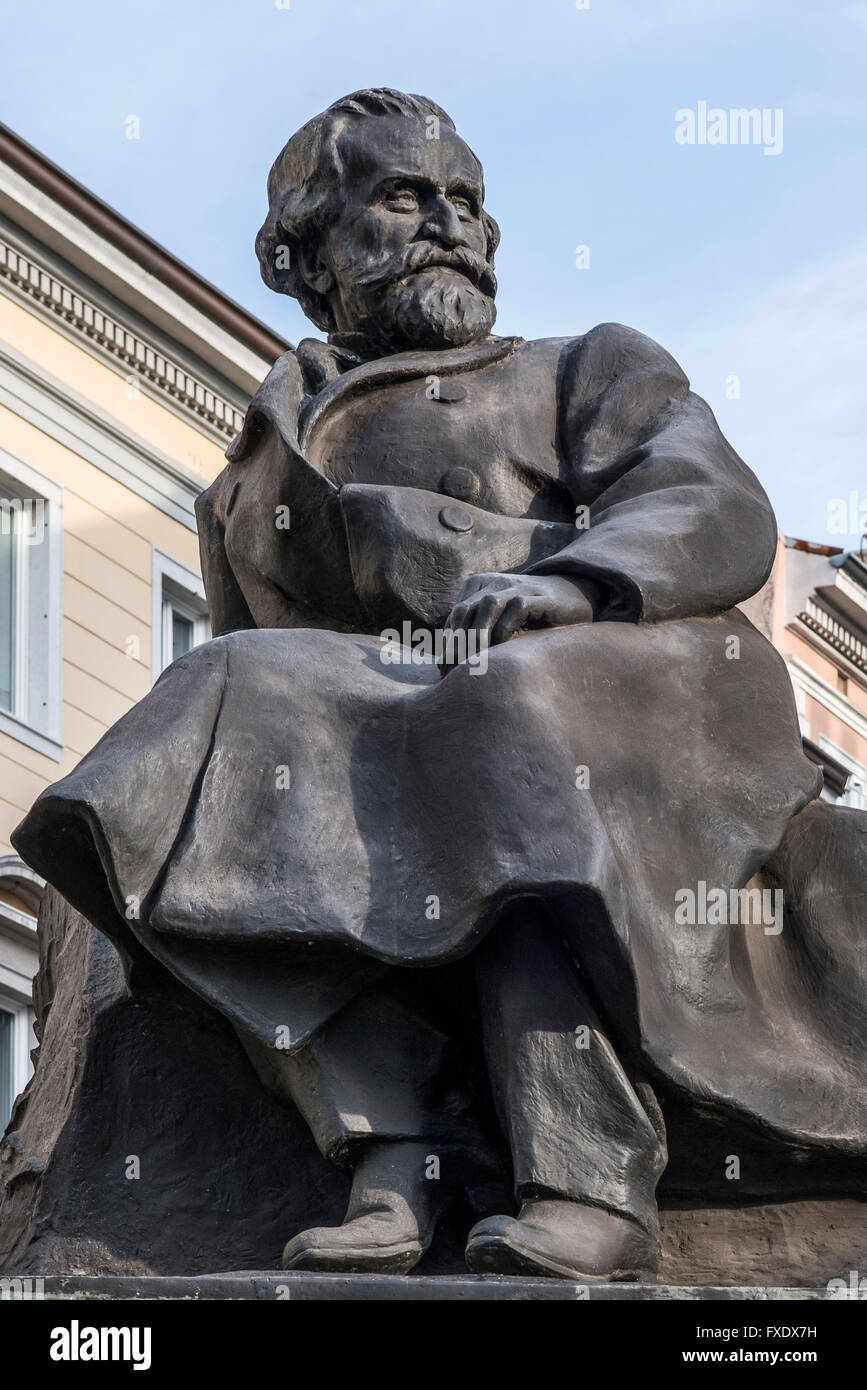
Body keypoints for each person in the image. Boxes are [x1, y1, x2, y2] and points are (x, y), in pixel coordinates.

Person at [14, 89, 865, 1282]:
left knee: (496, 718)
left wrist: (572, 584)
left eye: (467, 200)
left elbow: (713, 507)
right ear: (313, 249)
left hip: (619, 675)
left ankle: (585, 1168)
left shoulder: (582, 368)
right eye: (408, 198)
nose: (452, 224)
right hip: (381, 707)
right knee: (195, 736)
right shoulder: (258, 465)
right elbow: (270, 645)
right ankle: (396, 1137)